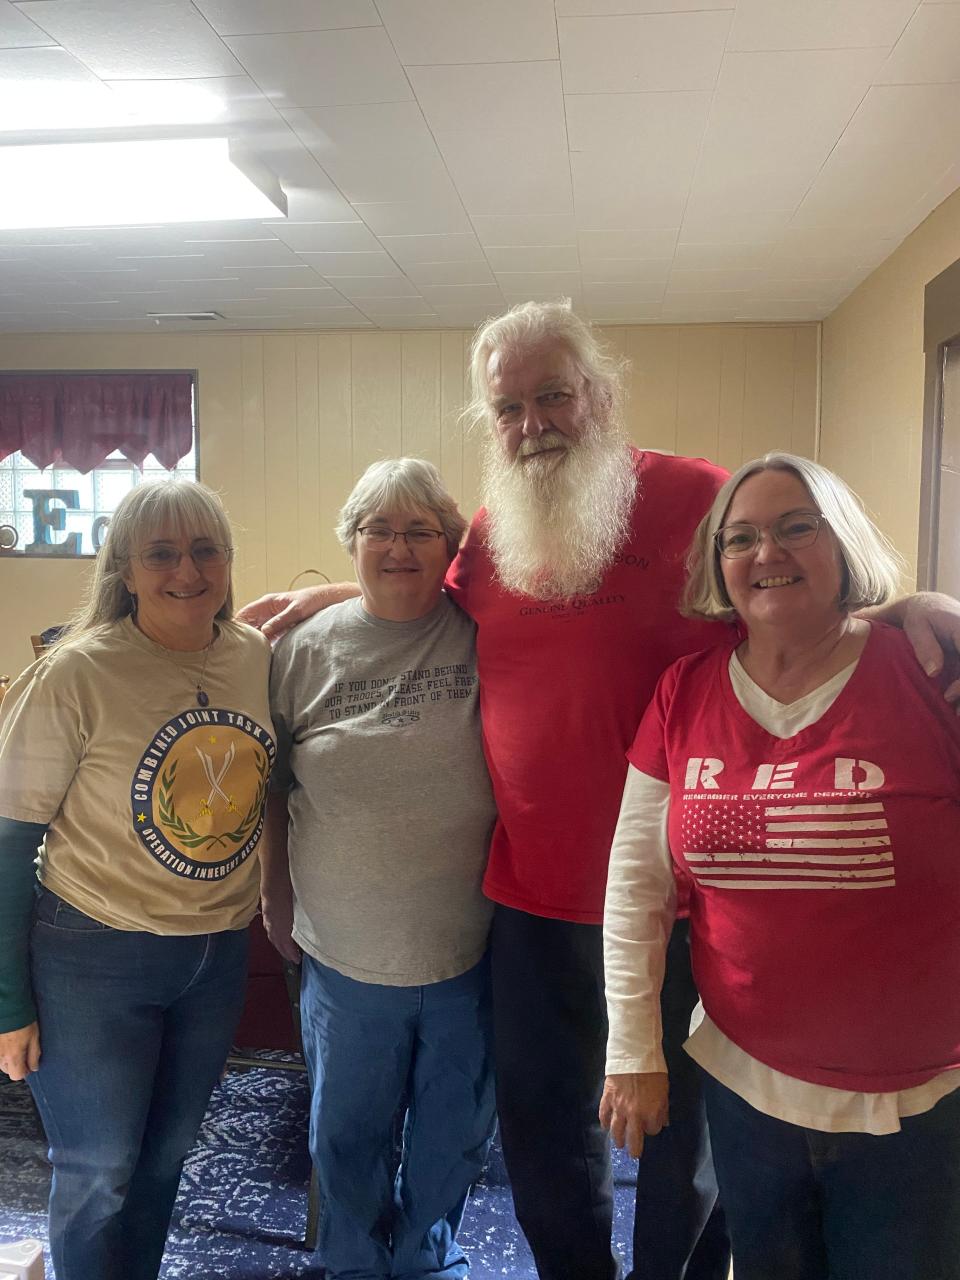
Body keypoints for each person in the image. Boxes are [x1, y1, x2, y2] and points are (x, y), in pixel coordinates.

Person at [238, 301, 960, 1280]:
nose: (532, 422)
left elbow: (786, 579)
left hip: (687, 901)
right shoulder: (492, 532)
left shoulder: (698, 498)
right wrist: (338, 592)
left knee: (684, 1150)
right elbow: (422, 592)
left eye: (553, 396)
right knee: (541, 1134)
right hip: (526, 899)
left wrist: (908, 602)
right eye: (508, 407)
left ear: (601, 396)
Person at [601, 452, 960, 1280]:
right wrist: (634, 1049)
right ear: (718, 567)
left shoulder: (931, 674)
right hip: (747, 1088)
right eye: (742, 538)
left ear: (843, 544)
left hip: (915, 1104)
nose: (768, 553)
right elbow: (637, 885)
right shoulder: (683, 693)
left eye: (798, 527)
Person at [0, 480, 275, 1280]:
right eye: (160, 553)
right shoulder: (75, 673)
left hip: (214, 954)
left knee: (164, 1165)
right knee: (98, 1171)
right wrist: (9, 1005)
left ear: (228, 561)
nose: (186, 570)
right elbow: (9, 843)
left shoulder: (253, 656)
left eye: (204, 550)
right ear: (124, 568)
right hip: (92, 954)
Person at [262, 458, 496, 1280]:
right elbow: (270, 785)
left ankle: (427, 1254)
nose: (398, 548)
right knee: (345, 1133)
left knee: (453, 1132)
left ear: (452, 548)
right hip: (345, 948)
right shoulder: (299, 654)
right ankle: (356, 1262)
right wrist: (272, 897)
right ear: (351, 541)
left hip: (471, 944)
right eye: (378, 531)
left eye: (420, 532)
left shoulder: (488, 634)